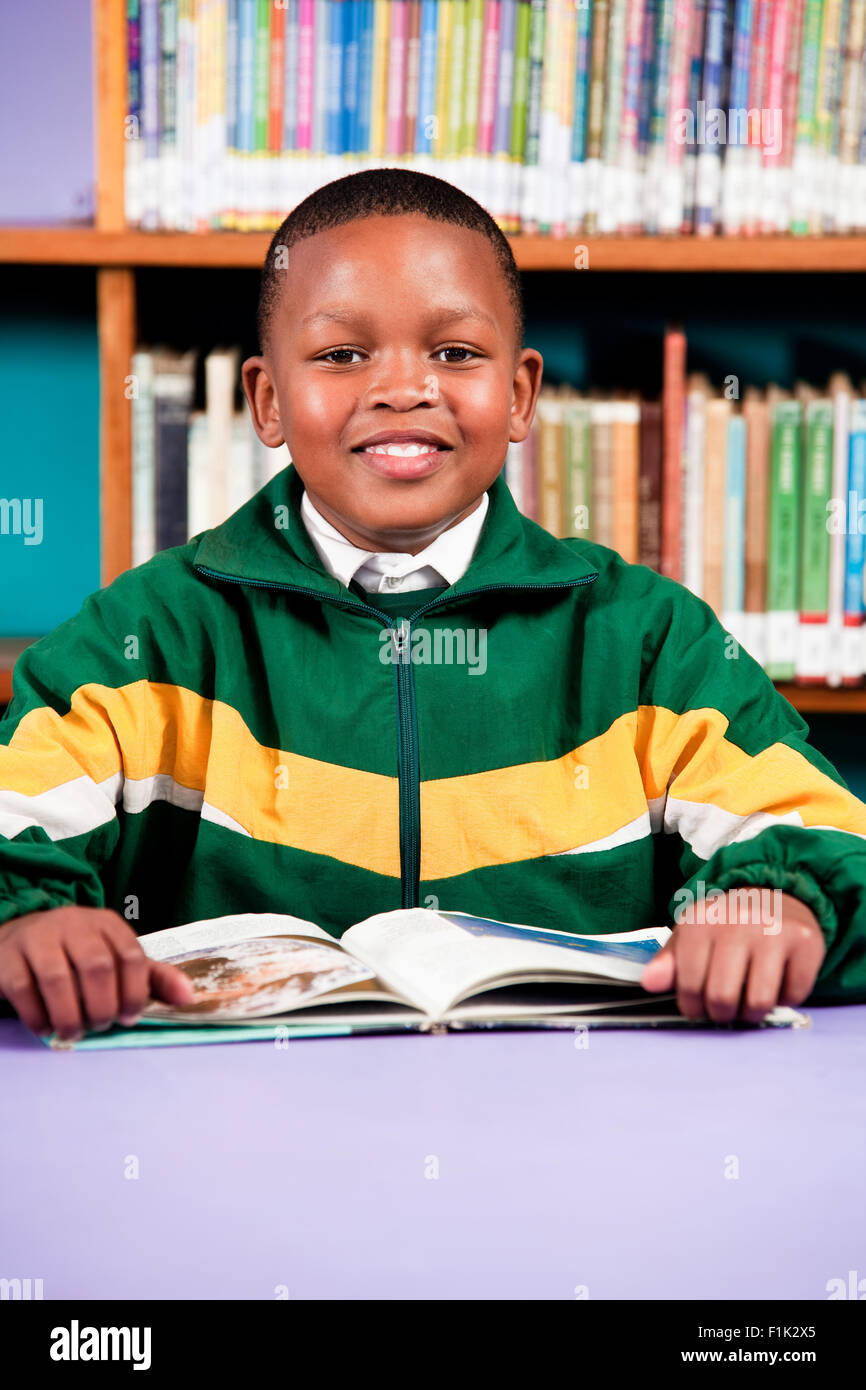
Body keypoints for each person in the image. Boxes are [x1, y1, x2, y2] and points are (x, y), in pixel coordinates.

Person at [0, 167, 863, 1044]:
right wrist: (28, 919)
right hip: (243, 1136)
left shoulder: (650, 643)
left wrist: (775, 905)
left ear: (521, 395)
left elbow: (829, 840)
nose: (404, 388)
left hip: (578, 1133)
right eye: (342, 355)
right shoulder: (149, 640)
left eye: (455, 353)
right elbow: (10, 820)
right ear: (267, 400)